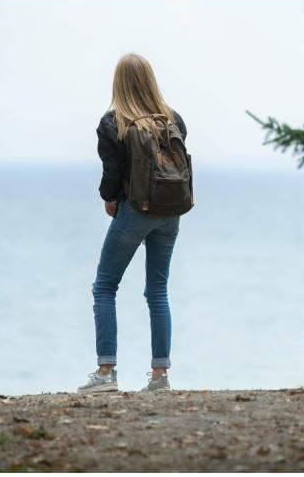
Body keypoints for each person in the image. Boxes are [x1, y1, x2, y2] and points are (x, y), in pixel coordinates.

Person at [78, 53, 187, 393]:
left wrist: (109, 199)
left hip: (134, 212)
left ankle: (106, 372)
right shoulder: (174, 119)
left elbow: (112, 173)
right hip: (170, 213)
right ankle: (160, 377)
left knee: (105, 287)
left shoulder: (114, 123)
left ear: (118, 83)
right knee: (157, 290)